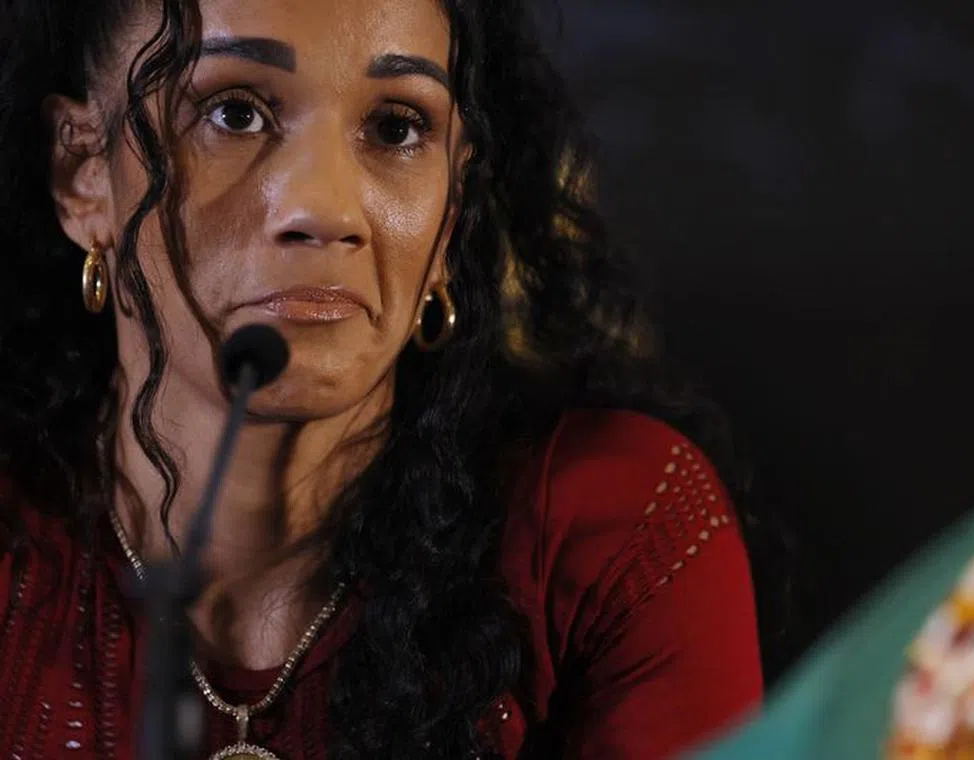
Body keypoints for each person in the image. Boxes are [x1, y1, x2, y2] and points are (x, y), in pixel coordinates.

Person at [0, 0, 763, 758]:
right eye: (235, 114)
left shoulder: (607, 527)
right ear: (84, 173)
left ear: (452, 210)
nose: (323, 209)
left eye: (396, 128)